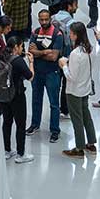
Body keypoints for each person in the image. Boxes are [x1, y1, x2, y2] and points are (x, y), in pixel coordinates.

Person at [26, 8, 65, 143]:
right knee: (36, 99)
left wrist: (38, 52)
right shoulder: (35, 32)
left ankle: (55, 130)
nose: (43, 22)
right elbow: (30, 52)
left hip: (52, 73)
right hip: (37, 72)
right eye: (41, 19)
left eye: (46, 19)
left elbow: (54, 57)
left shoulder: (57, 34)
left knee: (54, 103)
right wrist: (44, 52)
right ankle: (34, 124)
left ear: (50, 19)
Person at [59, 21, 98, 157]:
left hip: (74, 91)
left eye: (70, 33)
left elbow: (71, 77)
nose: (69, 35)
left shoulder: (76, 53)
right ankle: (91, 143)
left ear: (75, 35)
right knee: (86, 115)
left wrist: (64, 65)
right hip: (85, 88)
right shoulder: (90, 49)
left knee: (77, 119)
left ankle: (79, 148)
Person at [0, 35, 34, 163]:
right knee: (20, 124)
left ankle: (7, 150)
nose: (22, 48)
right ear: (16, 47)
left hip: (4, 95)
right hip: (17, 96)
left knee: (7, 122)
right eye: (21, 46)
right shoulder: (18, 61)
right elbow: (30, 76)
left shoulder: (2, 56)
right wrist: (31, 62)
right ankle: (21, 154)